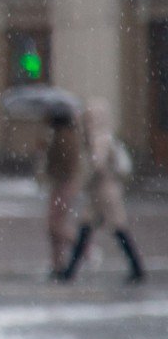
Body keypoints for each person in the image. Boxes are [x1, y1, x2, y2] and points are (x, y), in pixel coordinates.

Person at [54, 98, 145, 283]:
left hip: (105, 192)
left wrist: (83, 181)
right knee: (86, 228)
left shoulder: (100, 138)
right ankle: (70, 271)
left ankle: (137, 268)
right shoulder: (97, 137)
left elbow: (97, 165)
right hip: (98, 193)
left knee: (117, 228)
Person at [38, 107, 83, 276]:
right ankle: (57, 263)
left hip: (64, 184)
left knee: (56, 225)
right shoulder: (60, 136)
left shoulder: (64, 137)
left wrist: (47, 151)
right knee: (53, 226)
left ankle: (81, 245)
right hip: (61, 184)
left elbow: (64, 164)